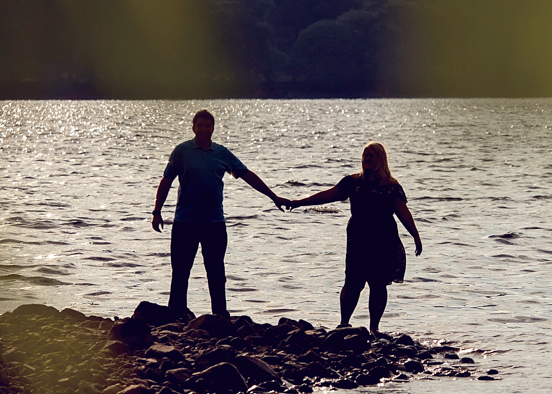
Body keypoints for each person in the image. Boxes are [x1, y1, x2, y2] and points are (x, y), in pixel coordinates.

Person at [151, 109, 285, 317]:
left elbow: (247, 175)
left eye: (208, 125)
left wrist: (273, 196)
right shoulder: (181, 151)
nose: (204, 129)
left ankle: (219, 316)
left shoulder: (222, 153)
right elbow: (166, 180)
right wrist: (157, 211)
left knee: (216, 272)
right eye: (200, 125)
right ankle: (175, 315)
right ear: (193, 128)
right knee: (180, 271)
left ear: (213, 128)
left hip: (214, 223)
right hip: (185, 222)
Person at [286, 142, 422, 334]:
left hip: (384, 240)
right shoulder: (353, 182)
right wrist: (298, 203)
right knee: (352, 281)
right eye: (365, 155)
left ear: (380, 160)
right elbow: (327, 195)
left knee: (378, 284)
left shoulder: (391, 187)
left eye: (372, 156)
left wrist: (415, 236)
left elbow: (403, 212)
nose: (367, 159)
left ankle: (374, 328)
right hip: (358, 237)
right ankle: (343, 323)